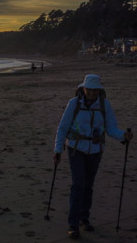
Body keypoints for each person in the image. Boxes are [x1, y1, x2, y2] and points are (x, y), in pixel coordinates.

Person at [53, 74, 133, 239]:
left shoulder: (104, 105)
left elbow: (111, 128)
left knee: (88, 186)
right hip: (76, 149)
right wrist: (58, 150)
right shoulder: (74, 104)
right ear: (83, 88)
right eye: (88, 89)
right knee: (78, 184)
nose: (91, 92)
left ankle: (84, 218)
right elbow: (62, 128)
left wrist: (123, 136)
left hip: (96, 150)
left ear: (99, 90)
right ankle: (73, 224)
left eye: (94, 90)